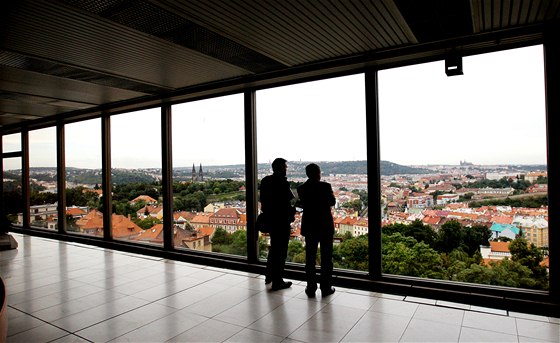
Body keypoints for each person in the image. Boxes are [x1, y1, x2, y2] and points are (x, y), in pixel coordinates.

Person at [297, 163, 336, 297]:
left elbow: (302, 204)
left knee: (310, 258)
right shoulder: (325, 186)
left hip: (310, 226)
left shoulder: (301, 188)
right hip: (325, 225)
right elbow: (332, 202)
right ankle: (325, 288)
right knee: (326, 258)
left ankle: (311, 288)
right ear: (318, 173)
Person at [259, 157, 296, 290]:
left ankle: (269, 276)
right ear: (280, 168)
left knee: (274, 248)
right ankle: (277, 280)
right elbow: (287, 202)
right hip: (281, 220)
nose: (286, 169)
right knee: (281, 251)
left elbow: (263, 201)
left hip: (270, 219)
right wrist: (292, 211)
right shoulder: (282, 182)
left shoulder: (265, 181)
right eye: (285, 167)